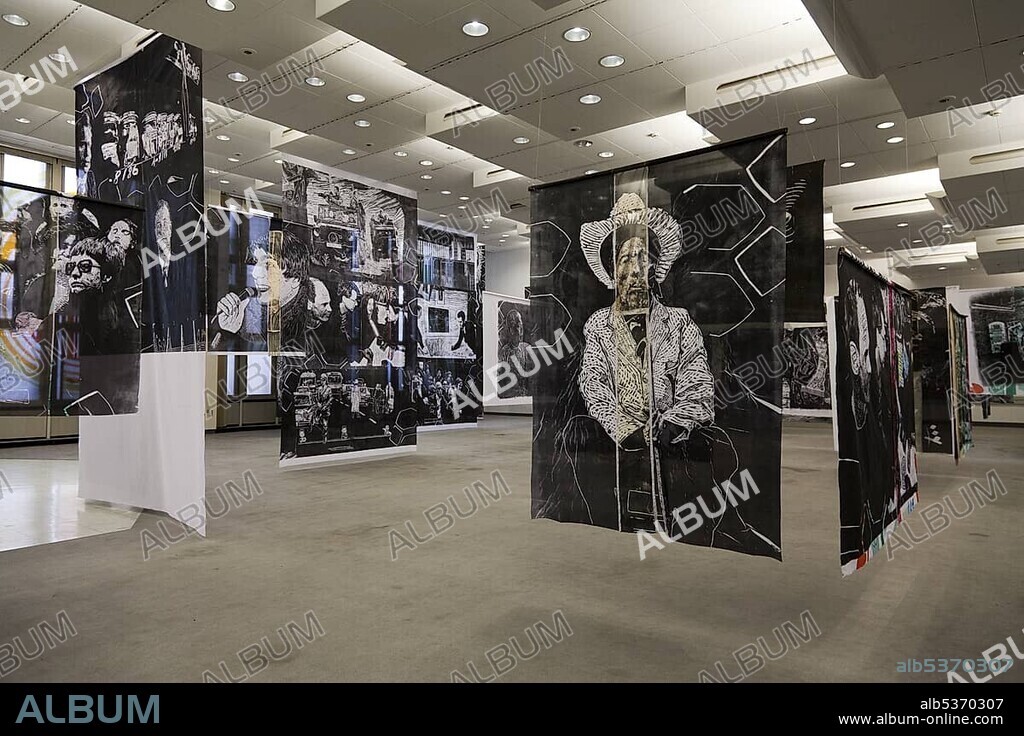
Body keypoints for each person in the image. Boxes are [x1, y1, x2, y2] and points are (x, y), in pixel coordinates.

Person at [577, 192, 714, 532]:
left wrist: (672, 425)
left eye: (642, 257)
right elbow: (593, 384)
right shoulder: (598, 325)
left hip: (674, 449)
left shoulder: (679, 323)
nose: (634, 269)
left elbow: (698, 385)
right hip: (619, 449)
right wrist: (628, 429)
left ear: (655, 265)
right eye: (625, 259)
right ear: (612, 268)